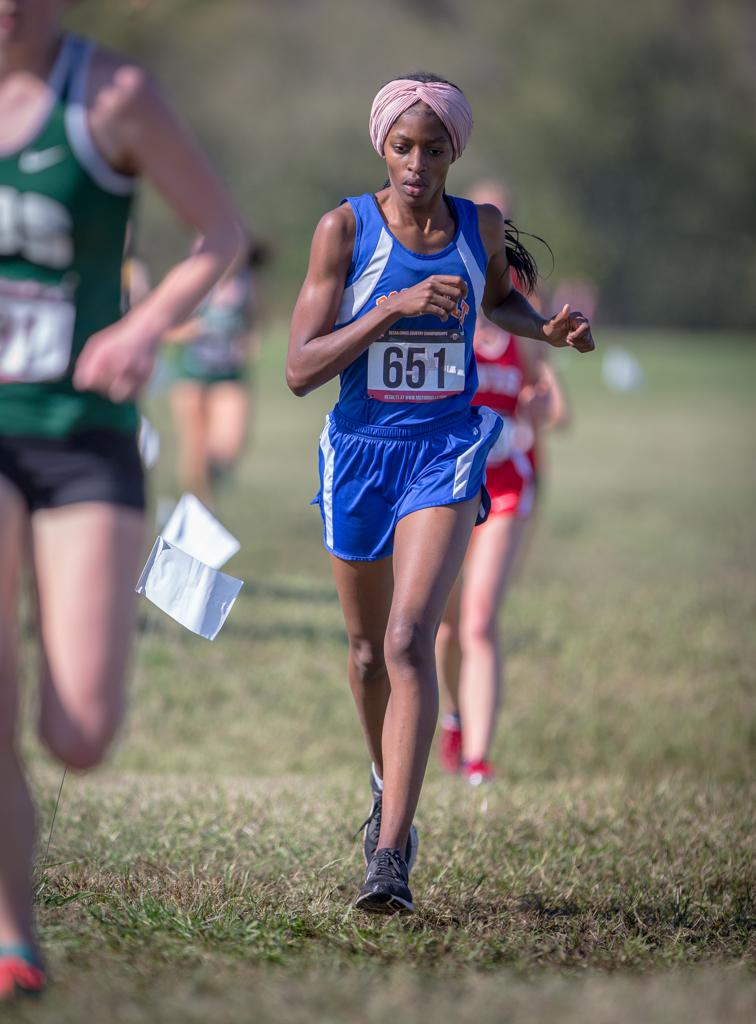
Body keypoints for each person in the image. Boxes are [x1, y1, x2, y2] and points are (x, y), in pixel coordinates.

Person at [286, 72, 594, 914]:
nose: (417, 164)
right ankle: (386, 781)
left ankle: (389, 860)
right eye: (402, 146)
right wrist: (390, 308)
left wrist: (547, 329)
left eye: (433, 148)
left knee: (411, 636)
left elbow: (498, 300)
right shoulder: (343, 229)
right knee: (363, 654)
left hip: (445, 450)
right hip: (359, 453)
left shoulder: (478, 226)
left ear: (456, 150)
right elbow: (299, 370)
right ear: (381, 146)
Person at [0, 2, 242, 999]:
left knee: (79, 732)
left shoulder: (114, 96)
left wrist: (146, 327)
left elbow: (219, 233)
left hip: (82, 435)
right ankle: (12, 936)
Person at [436, 311, 568, 785]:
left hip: (507, 486)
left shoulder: (520, 340)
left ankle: (477, 761)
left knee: (479, 618)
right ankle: (455, 716)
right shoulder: (447, 331)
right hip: (448, 488)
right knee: (445, 628)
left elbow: (557, 410)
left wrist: (538, 404)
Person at [163, 239, 269, 506]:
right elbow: (162, 327)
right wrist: (188, 331)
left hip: (229, 374)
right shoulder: (188, 282)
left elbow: (254, 319)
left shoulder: (244, 283)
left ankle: (212, 483)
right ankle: (200, 504)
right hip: (191, 373)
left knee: (229, 442)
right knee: (195, 445)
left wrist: (250, 340)